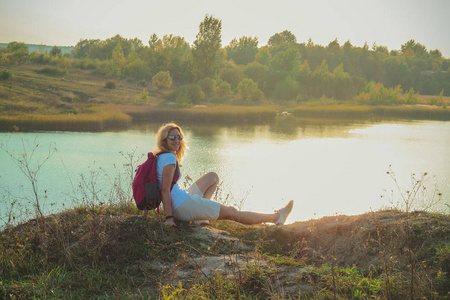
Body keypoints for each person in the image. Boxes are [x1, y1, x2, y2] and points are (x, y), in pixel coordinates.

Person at [150, 122, 294, 227]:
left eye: (179, 137)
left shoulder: (160, 156)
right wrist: (168, 217)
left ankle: (201, 216)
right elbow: (164, 189)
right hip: (182, 206)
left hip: (181, 200)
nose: (177, 141)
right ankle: (276, 217)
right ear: (164, 140)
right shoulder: (169, 158)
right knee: (233, 213)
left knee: (213, 177)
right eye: (172, 138)